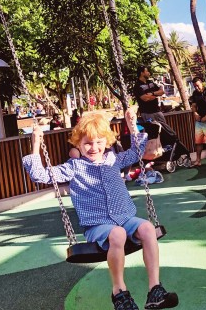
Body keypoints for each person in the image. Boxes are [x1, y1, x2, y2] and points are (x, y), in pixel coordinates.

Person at [22, 109, 179, 310]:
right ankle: (119, 293)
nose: (94, 147)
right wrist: (35, 143)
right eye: (87, 142)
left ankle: (155, 290)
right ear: (78, 144)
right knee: (118, 234)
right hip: (98, 225)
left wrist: (132, 125)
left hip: (125, 218)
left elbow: (137, 152)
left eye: (98, 142)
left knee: (148, 228)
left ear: (107, 142)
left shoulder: (113, 159)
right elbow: (40, 176)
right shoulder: (74, 167)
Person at [134, 65, 176, 136]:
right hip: (147, 113)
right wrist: (156, 95)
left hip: (157, 111)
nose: (149, 73)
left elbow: (162, 91)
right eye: (146, 71)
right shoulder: (137, 86)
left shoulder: (151, 82)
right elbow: (145, 98)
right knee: (154, 133)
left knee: (165, 131)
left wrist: (152, 93)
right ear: (142, 73)